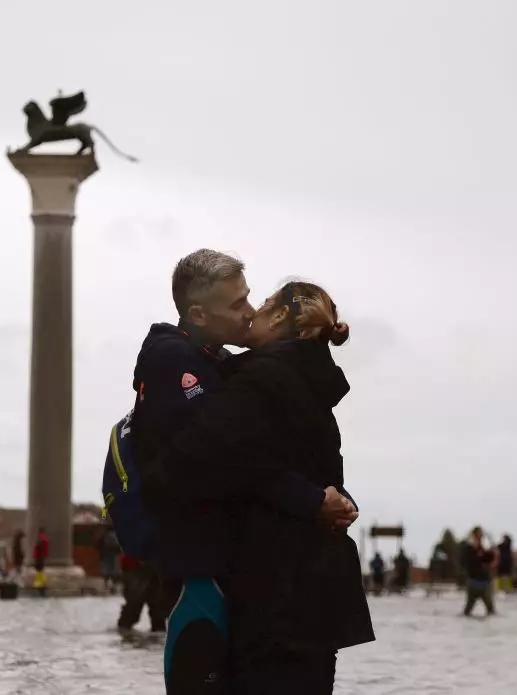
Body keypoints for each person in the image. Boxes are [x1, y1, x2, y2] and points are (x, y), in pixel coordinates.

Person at [132, 250, 358, 693]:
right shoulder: (304, 378)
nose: (250, 311)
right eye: (239, 304)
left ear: (278, 324)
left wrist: (316, 501)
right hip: (309, 593)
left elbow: (206, 459)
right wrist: (321, 501)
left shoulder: (259, 379)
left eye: (252, 300)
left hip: (275, 596)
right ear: (198, 312)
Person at [117, 552, 166, 634]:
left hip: (157, 563)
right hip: (136, 564)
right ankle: (124, 633)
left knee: (158, 607)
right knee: (134, 603)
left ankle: (158, 636)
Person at [461, 527, 496, 616]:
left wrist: (492, 545)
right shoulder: (468, 548)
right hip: (473, 583)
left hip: (483, 583)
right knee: (467, 610)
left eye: (481, 535)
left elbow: (488, 558)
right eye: (479, 535)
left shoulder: (481, 549)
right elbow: (467, 561)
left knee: (491, 610)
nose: (480, 537)